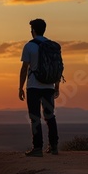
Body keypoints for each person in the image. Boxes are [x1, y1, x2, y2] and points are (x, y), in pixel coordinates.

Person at [19, 19, 60, 157]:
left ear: (33, 31)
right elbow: (57, 68)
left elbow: (24, 68)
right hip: (49, 85)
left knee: (35, 117)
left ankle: (37, 148)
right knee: (50, 116)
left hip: (34, 86)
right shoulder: (52, 46)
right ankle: (54, 146)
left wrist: (20, 87)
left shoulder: (29, 46)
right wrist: (56, 86)